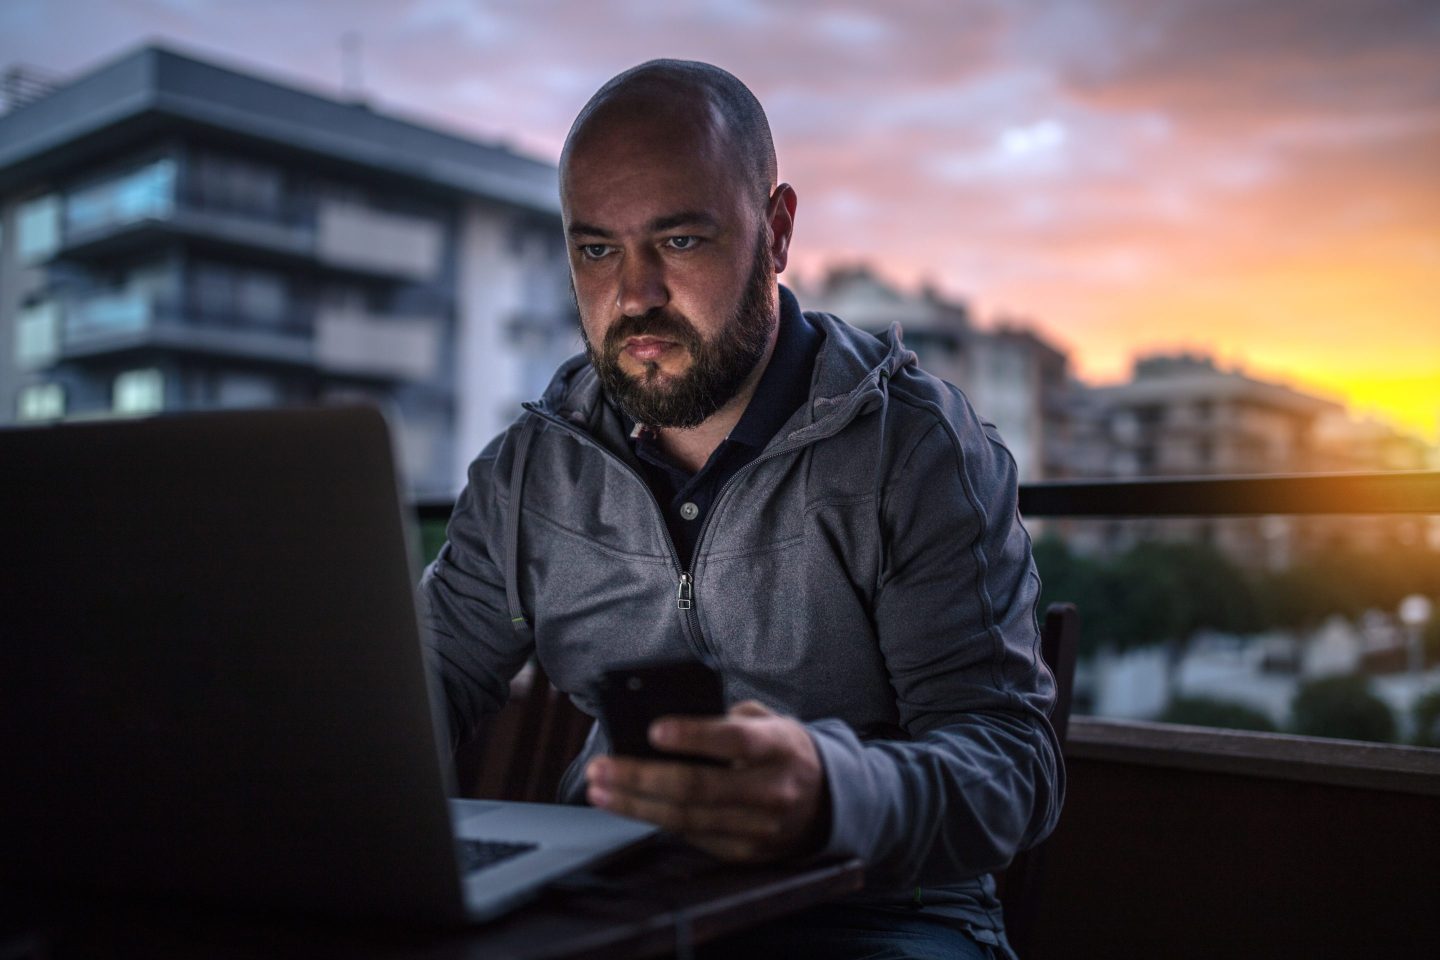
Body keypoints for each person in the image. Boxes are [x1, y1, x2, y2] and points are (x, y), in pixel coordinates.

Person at [421, 59, 1062, 959]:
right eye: (597, 249)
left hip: (882, 913)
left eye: (680, 242)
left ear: (779, 228)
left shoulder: (917, 449)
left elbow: (1013, 770)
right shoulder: (530, 470)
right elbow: (426, 677)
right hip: (620, 903)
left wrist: (832, 795)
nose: (634, 294)